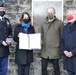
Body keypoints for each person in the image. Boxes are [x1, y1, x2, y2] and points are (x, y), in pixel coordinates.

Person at [41, 7, 64, 75]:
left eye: (51, 12)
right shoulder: (43, 23)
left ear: (54, 13)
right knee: (43, 67)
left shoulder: (59, 23)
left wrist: (57, 44)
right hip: (45, 49)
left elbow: (62, 35)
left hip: (55, 49)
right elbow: (42, 35)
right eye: (49, 12)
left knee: (56, 67)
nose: (50, 14)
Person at [60, 9, 76, 75]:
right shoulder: (66, 27)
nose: (69, 16)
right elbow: (62, 41)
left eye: (71, 15)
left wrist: (73, 52)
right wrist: (64, 51)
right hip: (68, 60)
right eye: (68, 15)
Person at [0, 2, 12, 75]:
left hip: (5, 50)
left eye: (4, 9)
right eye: (1, 9)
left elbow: (10, 32)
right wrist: (1, 42)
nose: (2, 10)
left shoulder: (7, 20)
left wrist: (9, 40)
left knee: (4, 70)